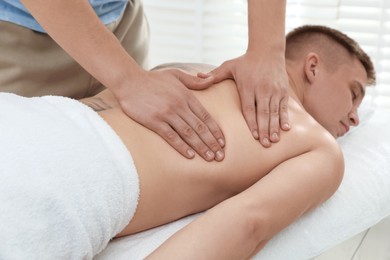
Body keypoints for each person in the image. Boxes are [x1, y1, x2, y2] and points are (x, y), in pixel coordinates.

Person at [0, 25, 375, 259]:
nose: (356, 118)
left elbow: (93, 108)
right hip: (52, 189)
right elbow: (247, 224)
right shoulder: (318, 148)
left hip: (24, 117)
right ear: (312, 67)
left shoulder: (189, 70)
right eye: (353, 93)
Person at [0, 0, 290, 163]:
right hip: (20, 40)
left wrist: (268, 48)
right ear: (312, 66)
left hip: (121, 24)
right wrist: (128, 80)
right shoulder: (321, 158)